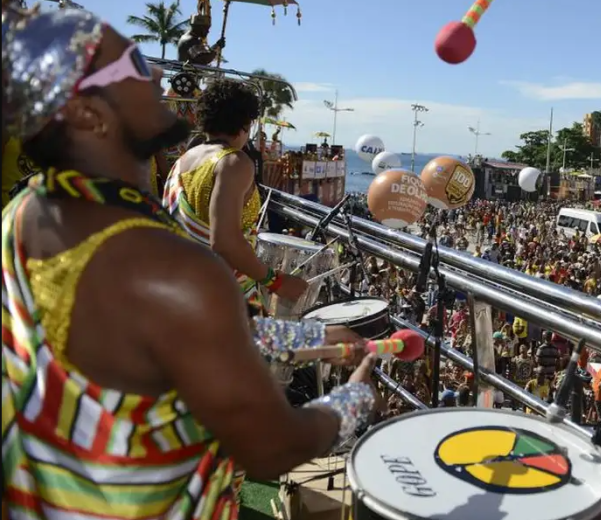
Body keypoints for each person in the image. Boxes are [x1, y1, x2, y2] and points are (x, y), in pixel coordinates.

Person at [0, 9, 376, 519]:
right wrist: (352, 403)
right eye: (133, 64)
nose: (157, 72)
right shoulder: (169, 268)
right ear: (90, 116)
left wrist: (311, 339)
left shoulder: (23, 213)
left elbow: (178, 331)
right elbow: (271, 444)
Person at [164, 78, 307, 312]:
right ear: (245, 124)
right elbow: (224, 243)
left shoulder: (184, 160)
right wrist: (277, 281)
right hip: (217, 296)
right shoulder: (233, 162)